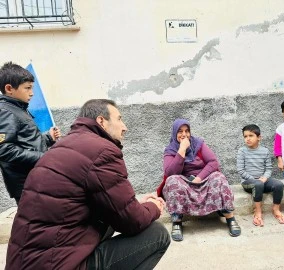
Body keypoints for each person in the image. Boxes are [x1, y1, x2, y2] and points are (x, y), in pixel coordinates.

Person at [6, 99, 170, 269]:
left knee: (105, 224)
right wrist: (154, 206)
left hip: (25, 262)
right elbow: (132, 222)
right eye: (119, 119)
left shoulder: (59, 147)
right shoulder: (102, 151)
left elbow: (107, 205)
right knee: (157, 234)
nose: (124, 127)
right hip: (58, 264)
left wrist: (137, 205)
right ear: (101, 121)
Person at [157, 118, 241, 241]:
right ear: (175, 133)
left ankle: (230, 217)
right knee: (172, 182)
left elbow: (213, 162)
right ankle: (177, 222)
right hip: (185, 183)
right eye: (180, 131)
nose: (184, 134)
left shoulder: (198, 144)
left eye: (187, 131)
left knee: (219, 178)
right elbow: (170, 173)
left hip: (203, 180)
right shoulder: (170, 150)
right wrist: (182, 150)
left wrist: (199, 177)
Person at [0, 61, 61, 204]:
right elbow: (4, 149)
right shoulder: (5, 111)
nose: (32, 93)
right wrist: (44, 157)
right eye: (27, 88)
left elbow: (27, 141)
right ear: (9, 88)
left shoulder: (18, 108)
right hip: (26, 183)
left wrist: (49, 138)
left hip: (35, 179)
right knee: (34, 223)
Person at [237, 124, 284, 227]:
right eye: (245, 136)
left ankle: (276, 209)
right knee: (258, 184)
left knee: (279, 185)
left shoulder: (265, 151)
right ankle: (258, 211)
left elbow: (268, 168)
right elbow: (240, 170)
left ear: (259, 137)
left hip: (263, 180)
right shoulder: (242, 151)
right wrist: (255, 179)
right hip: (248, 182)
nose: (248, 139)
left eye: (251, 135)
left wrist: (265, 177)